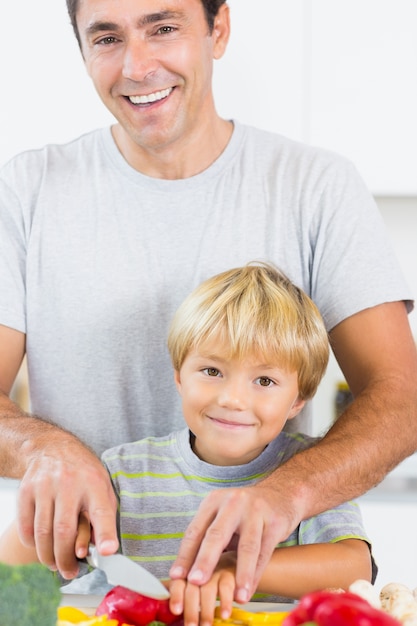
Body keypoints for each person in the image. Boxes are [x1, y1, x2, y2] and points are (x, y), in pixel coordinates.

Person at [0, 0, 416, 606]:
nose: (138, 66)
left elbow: (401, 400)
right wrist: (44, 450)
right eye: (107, 38)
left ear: (218, 30)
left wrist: (284, 497)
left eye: (163, 28)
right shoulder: (25, 191)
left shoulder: (316, 186)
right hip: (87, 597)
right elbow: (15, 584)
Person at [0, 263, 376, 625]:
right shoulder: (123, 473)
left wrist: (234, 568)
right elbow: (9, 578)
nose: (232, 399)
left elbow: (354, 567)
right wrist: (54, 528)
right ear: (180, 377)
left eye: (264, 381)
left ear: (299, 399)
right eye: (212, 371)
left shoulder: (308, 472)